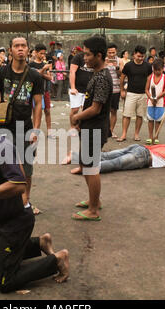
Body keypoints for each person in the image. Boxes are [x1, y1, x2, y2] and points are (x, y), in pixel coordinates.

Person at [0, 103, 69, 293]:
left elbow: (18, 185)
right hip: (1, 217)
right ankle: (41, 243)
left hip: (17, 220)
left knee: (4, 281)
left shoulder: (2, 147)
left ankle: (57, 260)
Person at [0, 36, 44, 215]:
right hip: (4, 128)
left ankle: (25, 201)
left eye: (23, 46)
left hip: (26, 128)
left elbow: (38, 105)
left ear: (28, 50)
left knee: (26, 168)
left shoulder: (35, 76)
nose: (20, 49)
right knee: (3, 166)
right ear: (10, 50)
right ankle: (0, 205)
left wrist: (36, 129)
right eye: (16, 46)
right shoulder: (0, 73)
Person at [69, 36, 113, 222]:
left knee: (91, 167)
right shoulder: (97, 73)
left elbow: (96, 108)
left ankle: (94, 209)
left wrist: (76, 117)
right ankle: (93, 200)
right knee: (86, 165)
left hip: (95, 127)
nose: (84, 58)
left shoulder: (102, 77)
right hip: (89, 127)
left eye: (87, 55)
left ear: (99, 55)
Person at [118, 45, 152, 142]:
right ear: (134, 55)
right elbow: (122, 78)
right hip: (130, 93)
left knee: (140, 115)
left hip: (143, 94)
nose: (140, 58)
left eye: (142, 56)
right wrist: (122, 90)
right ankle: (124, 134)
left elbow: (150, 79)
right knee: (126, 114)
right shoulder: (128, 65)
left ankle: (136, 134)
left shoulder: (148, 66)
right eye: (138, 56)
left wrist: (149, 93)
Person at [29, 44, 54, 138]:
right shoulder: (31, 64)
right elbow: (32, 76)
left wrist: (42, 72)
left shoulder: (45, 64)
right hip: (34, 91)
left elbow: (50, 77)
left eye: (44, 53)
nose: (43, 55)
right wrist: (43, 70)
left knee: (47, 111)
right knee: (35, 111)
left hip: (45, 90)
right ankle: (36, 131)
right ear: (35, 53)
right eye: (41, 53)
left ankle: (50, 132)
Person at [68, 44, 94, 133]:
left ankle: (80, 126)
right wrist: (73, 87)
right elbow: (72, 71)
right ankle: (72, 127)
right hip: (77, 88)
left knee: (86, 110)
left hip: (88, 89)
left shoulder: (94, 58)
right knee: (75, 109)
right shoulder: (78, 57)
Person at [145, 58, 165, 145]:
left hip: (160, 101)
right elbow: (146, 89)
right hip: (150, 101)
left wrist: (157, 97)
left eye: (159, 70)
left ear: (163, 68)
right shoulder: (150, 77)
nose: (157, 72)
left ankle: (156, 137)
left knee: (158, 120)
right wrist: (151, 98)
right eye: (155, 70)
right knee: (150, 119)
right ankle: (150, 136)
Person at [105, 43, 122, 138]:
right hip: (104, 89)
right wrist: (105, 64)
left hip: (115, 89)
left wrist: (117, 67)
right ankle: (104, 130)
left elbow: (122, 74)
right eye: (109, 52)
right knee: (103, 111)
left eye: (113, 52)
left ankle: (111, 131)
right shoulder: (103, 60)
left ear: (116, 52)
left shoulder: (119, 61)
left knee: (113, 111)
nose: (111, 55)